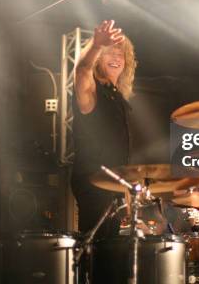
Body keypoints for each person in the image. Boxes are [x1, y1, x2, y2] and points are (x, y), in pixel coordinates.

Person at [71, 20, 136, 237]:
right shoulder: (92, 89)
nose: (117, 57)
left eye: (121, 53)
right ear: (99, 59)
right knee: (101, 253)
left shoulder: (117, 97)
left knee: (111, 253)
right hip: (93, 182)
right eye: (110, 52)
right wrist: (97, 45)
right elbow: (81, 70)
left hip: (113, 184)